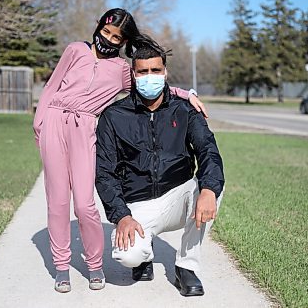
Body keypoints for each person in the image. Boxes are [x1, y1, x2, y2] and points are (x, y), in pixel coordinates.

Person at [33, 8, 207, 293]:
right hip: (54, 120)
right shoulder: (75, 50)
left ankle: (93, 265)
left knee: (85, 205)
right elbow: (52, 86)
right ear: (98, 26)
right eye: (106, 32)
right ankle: (61, 266)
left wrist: (186, 94)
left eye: (116, 38)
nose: (109, 40)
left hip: (85, 125)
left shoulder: (120, 70)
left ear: (124, 42)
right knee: (58, 201)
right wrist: (40, 124)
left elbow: (149, 83)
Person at [95, 43, 225, 297]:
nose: (149, 76)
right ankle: (144, 255)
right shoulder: (114, 115)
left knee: (211, 186)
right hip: (137, 205)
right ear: (133, 74)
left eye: (155, 70)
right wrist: (121, 216)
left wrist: (208, 190)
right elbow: (104, 172)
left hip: (178, 195)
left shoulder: (185, 109)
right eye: (142, 72)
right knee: (127, 255)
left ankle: (186, 266)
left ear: (165, 72)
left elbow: (208, 151)